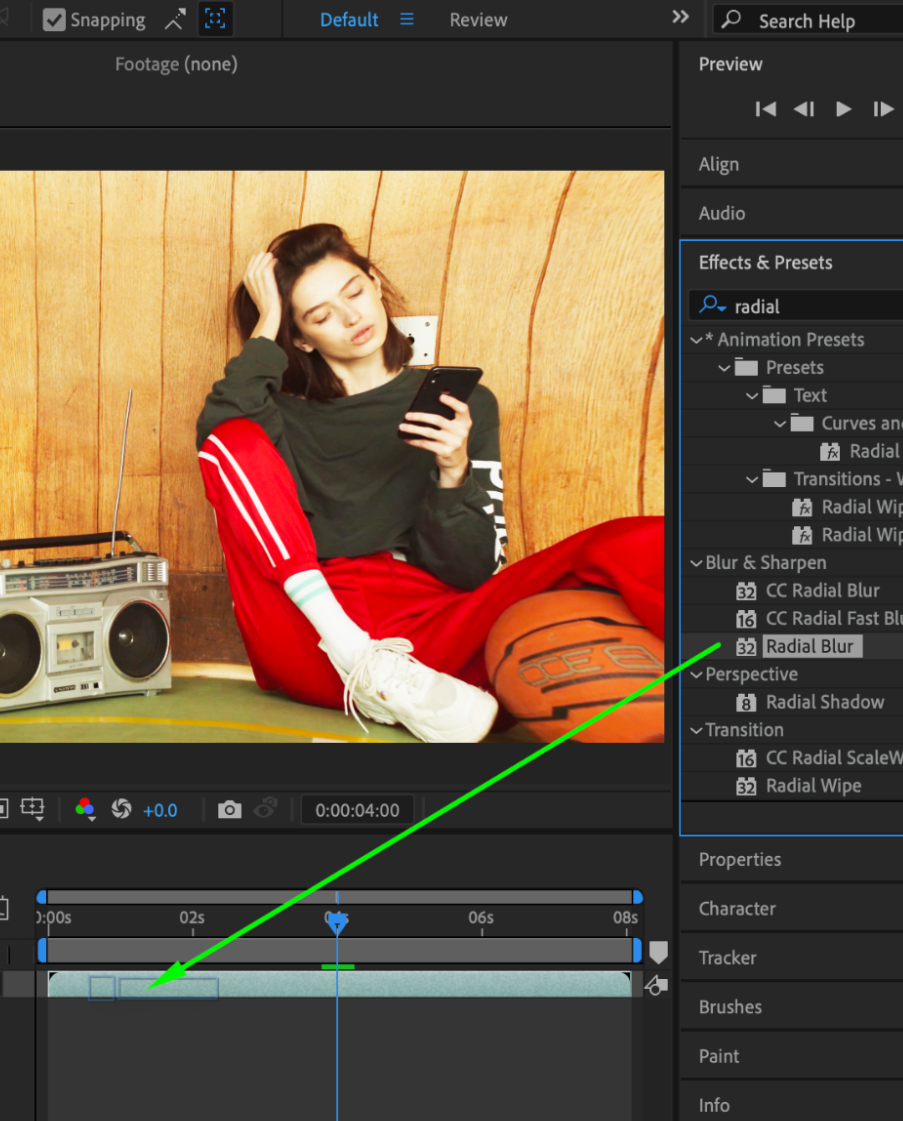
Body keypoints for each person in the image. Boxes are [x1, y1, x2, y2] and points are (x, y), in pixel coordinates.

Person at [197, 223, 664, 741]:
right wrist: (268, 324)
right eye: (321, 316)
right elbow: (218, 438)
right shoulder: (277, 415)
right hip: (315, 632)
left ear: (375, 284)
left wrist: (453, 471)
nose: (351, 317)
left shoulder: (461, 407)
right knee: (232, 437)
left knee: (644, 540)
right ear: (301, 338)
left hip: (426, 634)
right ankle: (360, 657)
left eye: (354, 292)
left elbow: (470, 574)